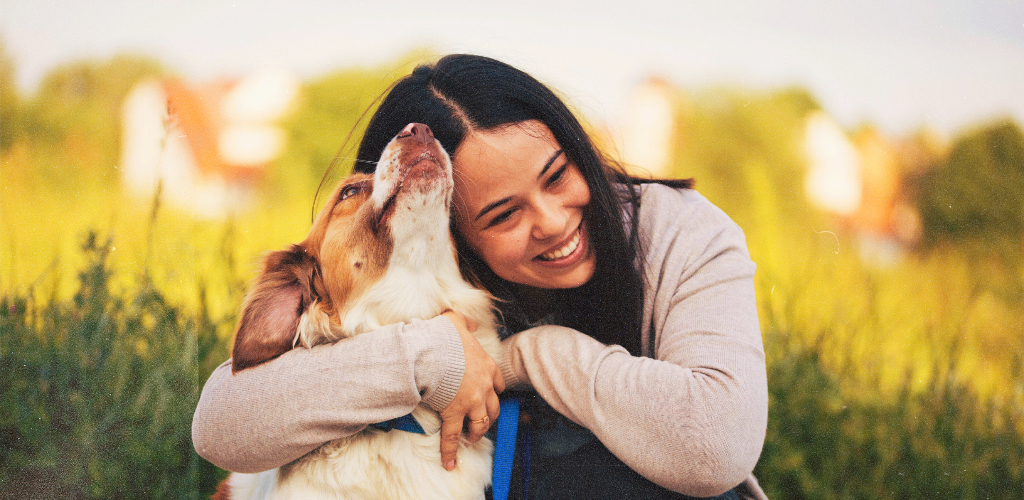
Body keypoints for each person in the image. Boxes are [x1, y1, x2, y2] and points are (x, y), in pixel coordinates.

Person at [193, 54, 769, 500]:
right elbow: (223, 425)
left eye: (557, 175)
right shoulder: (434, 269)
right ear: (451, 230)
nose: (551, 222)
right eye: (503, 215)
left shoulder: (683, 235)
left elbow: (717, 442)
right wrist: (433, 354)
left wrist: (524, 358)